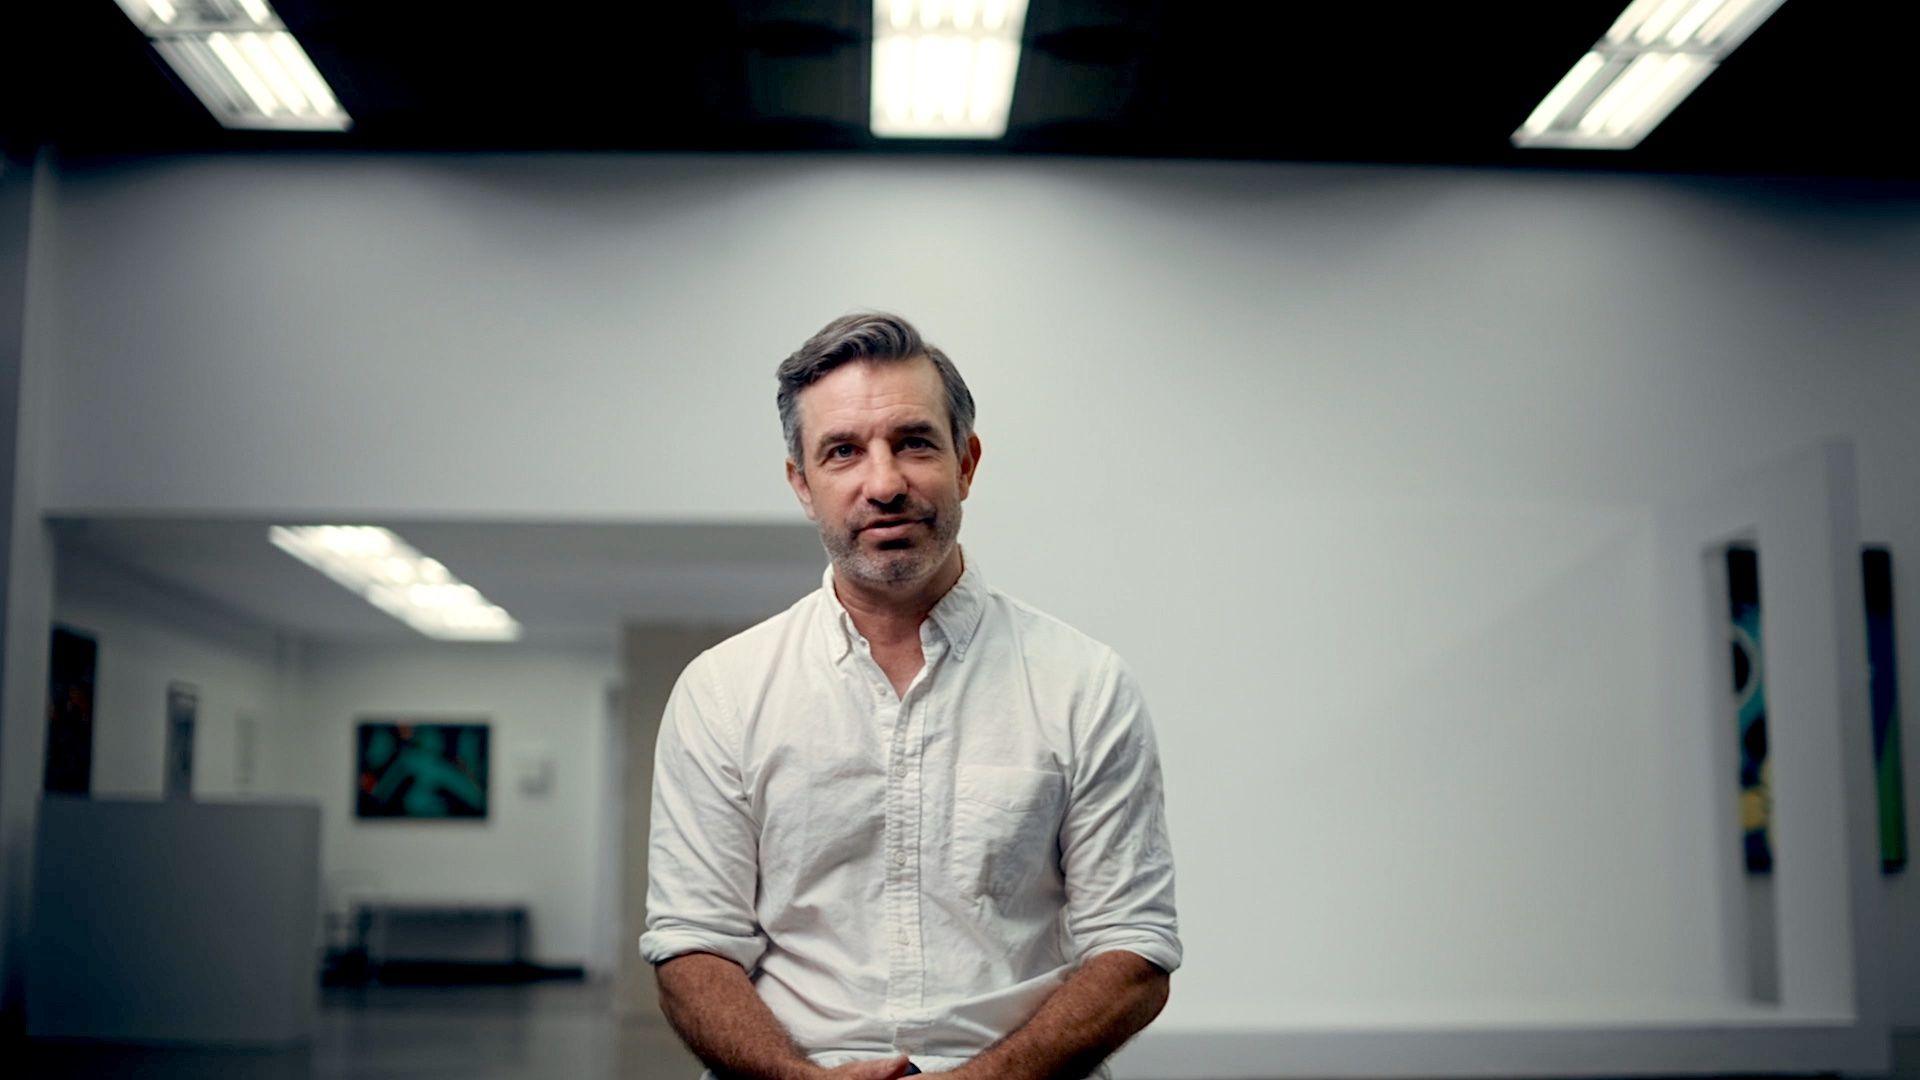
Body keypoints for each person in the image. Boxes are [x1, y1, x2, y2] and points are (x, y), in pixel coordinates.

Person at [640, 312, 1181, 1080]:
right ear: (802, 482)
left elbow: (1136, 945)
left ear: (967, 462)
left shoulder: (1083, 683)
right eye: (843, 452)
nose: (884, 483)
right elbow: (692, 943)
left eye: (915, 442)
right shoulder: (722, 692)